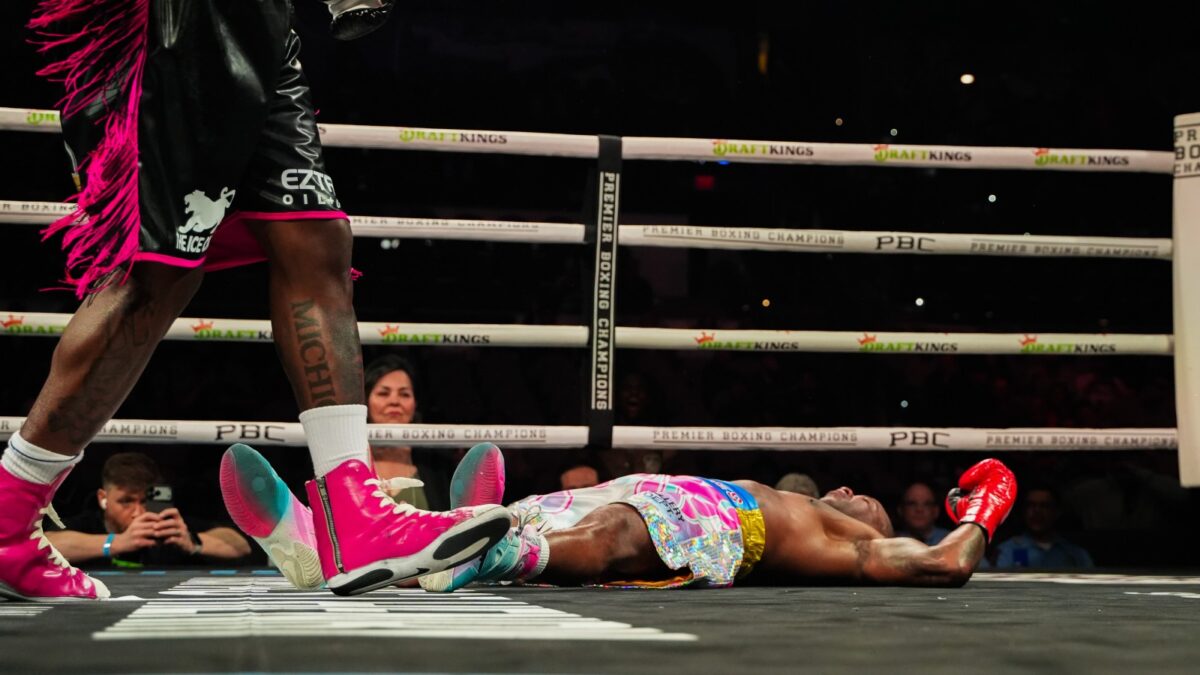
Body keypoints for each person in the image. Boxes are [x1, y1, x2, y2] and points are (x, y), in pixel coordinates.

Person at [0, 0, 509, 602]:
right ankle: (9, 517)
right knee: (156, 275)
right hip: (183, 19)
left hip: (266, 28)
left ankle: (355, 512)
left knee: (316, 238)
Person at [222, 444, 1018, 591]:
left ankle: (481, 555)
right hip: (651, 489)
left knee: (612, 538)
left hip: (710, 522)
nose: (851, 492)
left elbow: (946, 561)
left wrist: (987, 506)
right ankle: (314, 544)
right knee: (520, 516)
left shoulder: (854, 547)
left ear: (877, 526)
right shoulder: (805, 500)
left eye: (867, 499)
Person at [46, 452, 251, 566]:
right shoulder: (88, 524)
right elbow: (46, 544)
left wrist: (193, 542)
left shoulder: (168, 528)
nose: (138, 513)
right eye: (126, 501)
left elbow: (240, 545)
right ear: (103, 498)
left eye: (145, 501)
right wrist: (116, 542)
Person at [363, 355, 454, 510]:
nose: (394, 401)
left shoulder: (437, 465)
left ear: (415, 404)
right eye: (383, 393)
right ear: (366, 401)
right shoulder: (349, 460)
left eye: (404, 394)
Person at [991, 487, 1094, 569]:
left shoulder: (1075, 554)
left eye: (1044, 506)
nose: (1037, 511)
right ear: (1023, 511)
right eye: (1031, 505)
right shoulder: (1009, 550)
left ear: (1057, 512)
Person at [894, 482, 950, 546]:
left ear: (936, 511)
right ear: (900, 510)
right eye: (912, 503)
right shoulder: (891, 542)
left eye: (927, 504)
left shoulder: (951, 541)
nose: (919, 509)